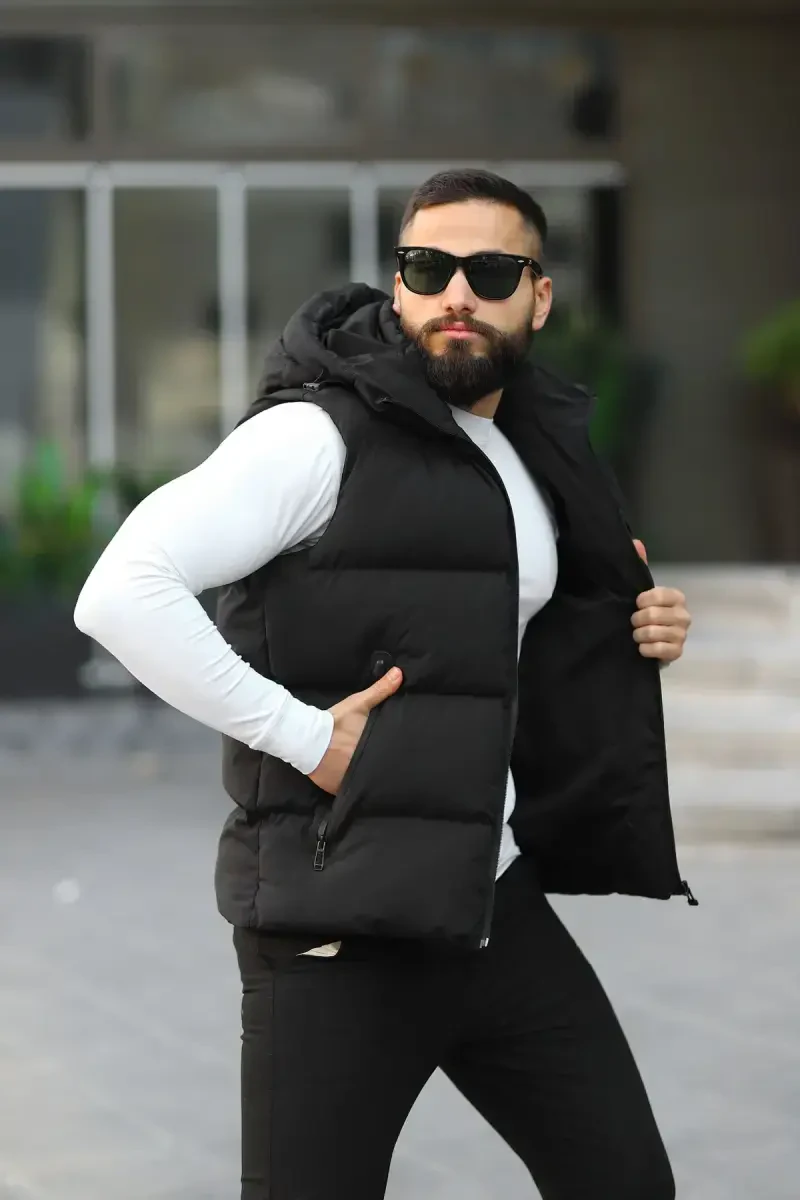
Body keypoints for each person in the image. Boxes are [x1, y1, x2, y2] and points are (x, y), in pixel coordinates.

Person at [74, 169, 694, 1200]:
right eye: (428, 267)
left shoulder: (528, 449)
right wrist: (302, 735)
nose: (457, 293)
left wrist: (638, 624)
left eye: (490, 272)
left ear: (539, 296)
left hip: (487, 900)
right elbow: (122, 591)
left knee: (624, 1181)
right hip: (339, 923)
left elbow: (488, 629)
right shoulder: (315, 436)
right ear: (396, 283)